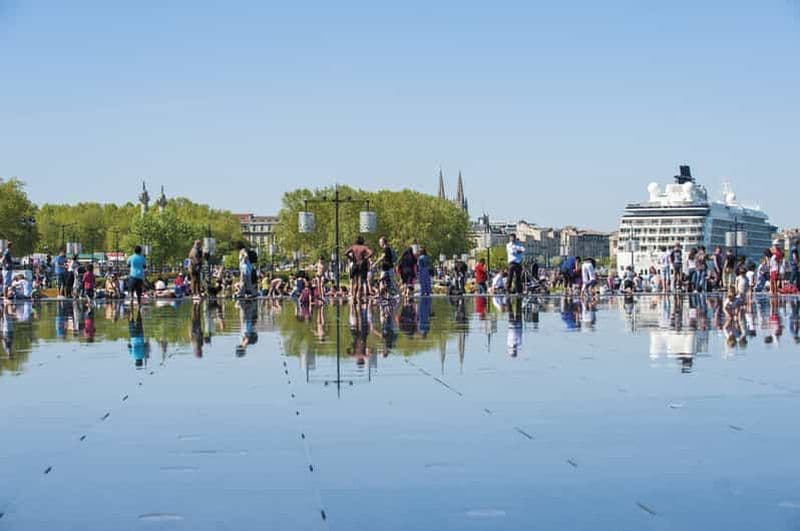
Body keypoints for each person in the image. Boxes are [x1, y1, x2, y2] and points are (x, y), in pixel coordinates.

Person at [345, 235, 373, 303]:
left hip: (355, 265)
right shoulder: (364, 247)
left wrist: (351, 258)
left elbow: (345, 253)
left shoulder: (353, 247)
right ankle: (359, 298)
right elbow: (371, 252)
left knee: (355, 282)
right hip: (362, 265)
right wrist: (366, 258)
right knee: (360, 282)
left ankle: (354, 298)